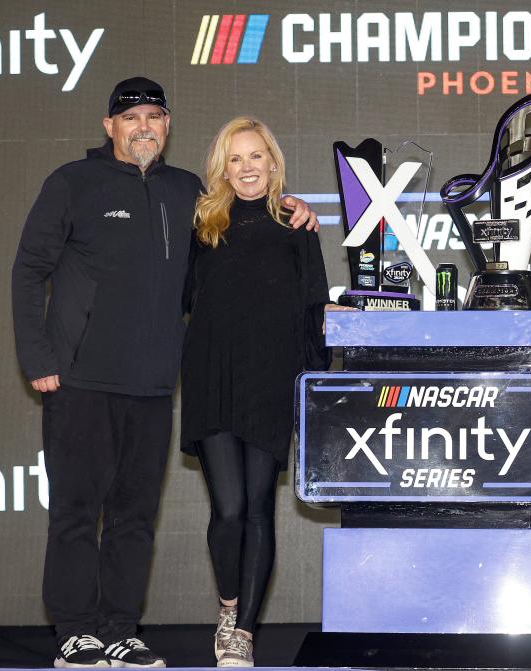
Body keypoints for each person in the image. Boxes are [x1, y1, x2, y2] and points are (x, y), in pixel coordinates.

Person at [11, 79, 317, 669]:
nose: (144, 127)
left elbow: (246, 223)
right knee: (76, 511)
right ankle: (76, 632)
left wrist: (293, 205)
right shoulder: (71, 183)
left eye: (154, 116)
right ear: (110, 126)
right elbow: (29, 270)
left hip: (153, 385)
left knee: (134, 517)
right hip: (78, 378)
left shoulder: (190, 196)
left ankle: (120, 629)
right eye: (131, 118)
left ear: (168, 125)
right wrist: (39, 358)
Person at [180, 117, 343, 668]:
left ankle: (242, 632)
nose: (247, 167)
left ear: (273, 163)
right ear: (221, 168)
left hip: (272, 381)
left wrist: (314, 386)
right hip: (213, 378)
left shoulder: (298, 226)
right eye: (235, 158)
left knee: (257, 511)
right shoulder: (202, 226)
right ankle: (228, 606)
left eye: (256, 156)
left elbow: (314, 308)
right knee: (227, 510)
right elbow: (181, 301)